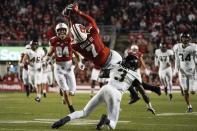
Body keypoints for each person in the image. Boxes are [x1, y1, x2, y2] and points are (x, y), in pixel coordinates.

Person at [51, 55, 156, 130]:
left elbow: (102, 74)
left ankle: (63, 120)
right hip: (116, 94)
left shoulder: (117, 65)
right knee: (113, 125)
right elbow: (143, 93)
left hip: (105, 88)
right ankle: (105, 120)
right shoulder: (135, 75)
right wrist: (149, 105)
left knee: (84, 112)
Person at [62, 4, 122, 78]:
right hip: (113, 56)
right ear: (83, 30)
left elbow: (71, 35)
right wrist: (78, 12)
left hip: (104, 66)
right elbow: (91, 20)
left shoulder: (76, 46)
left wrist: (68, 19)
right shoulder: (92, 32)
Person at [46, 22, 83, 113]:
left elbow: (76, 54)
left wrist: (80, 63)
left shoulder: (70, 40)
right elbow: (50, 53)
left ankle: (64, 96)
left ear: (66, 31)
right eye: (60, 30)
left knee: (72, 91)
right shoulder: (53, 40)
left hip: (69, 68)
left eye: (63, 30)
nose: (62, 32)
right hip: (58, 68)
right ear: (56, 31)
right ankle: (71, 109)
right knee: (66, 90)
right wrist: (46, 58)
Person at [173, 32, 197, 113]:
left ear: (189, 39)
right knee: (185, 91)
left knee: (193, 91)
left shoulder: (194, 47)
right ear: (181, 38)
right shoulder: (177, 47)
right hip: (182, 72)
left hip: (192, 72)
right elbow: (177, 60)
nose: (185, 39)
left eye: (186, 37)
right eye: (183, 37)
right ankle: (189, 106)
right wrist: (175, 70)